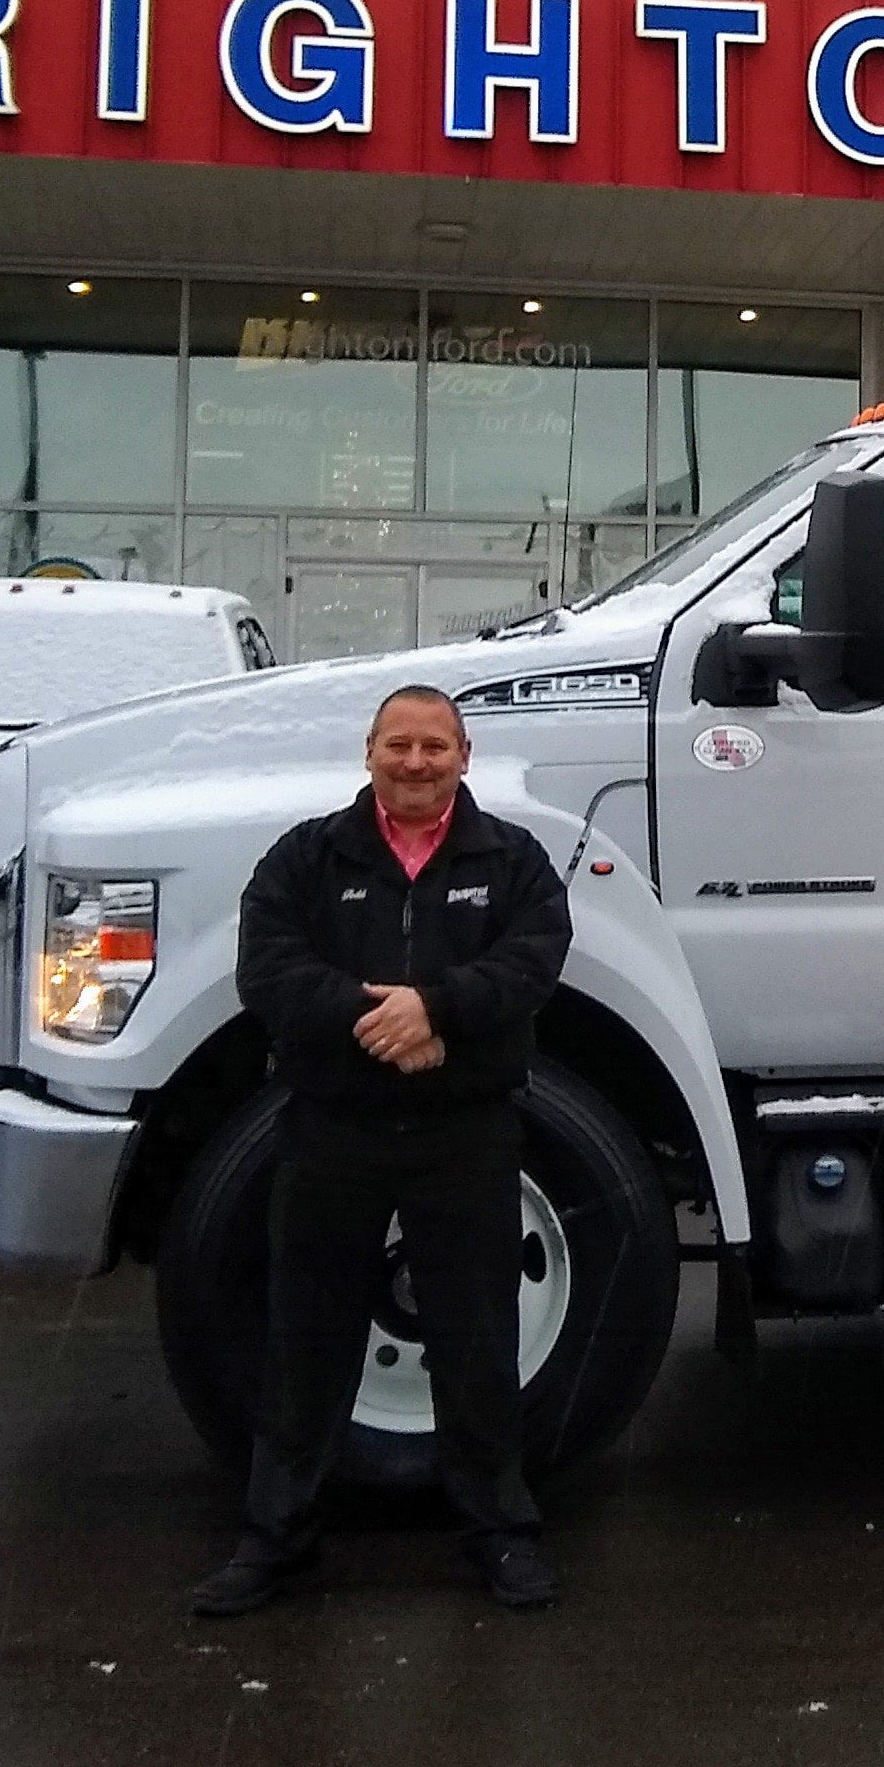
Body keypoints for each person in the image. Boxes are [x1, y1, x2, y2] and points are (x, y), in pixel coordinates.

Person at [188, 684, 575, 1617]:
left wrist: (437, 1011)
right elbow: (268, 970)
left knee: (477, 1345)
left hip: (465, 1136)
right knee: (306, 1343)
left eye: (434, 746)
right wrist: (387, 1023)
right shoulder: (307, 857)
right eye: (398, 744)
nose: (415, 762)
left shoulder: (513, 861)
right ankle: (275, 1538)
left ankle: (500, 1534)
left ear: (464, 755)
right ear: (368, 753)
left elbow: (535, 959)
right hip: (334, 1133)